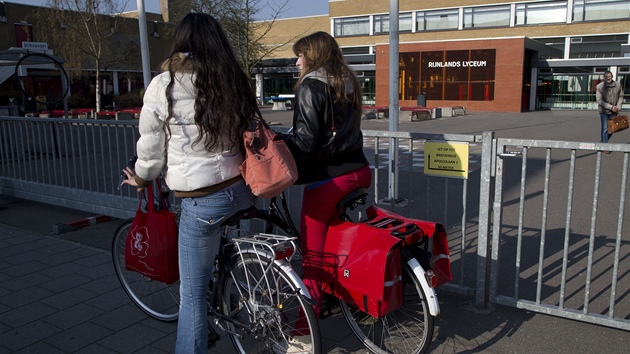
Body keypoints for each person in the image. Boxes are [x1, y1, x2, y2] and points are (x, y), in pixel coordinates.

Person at [120, 13, 259, 353]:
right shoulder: (231, 78)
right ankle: (227, 297)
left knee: (192, 294)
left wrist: (142, 177)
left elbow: (151, 147)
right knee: (215, 251)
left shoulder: (164, 84)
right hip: (242, 188)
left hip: (202, 199)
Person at [280, 31, 372, 352]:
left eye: (300, 55)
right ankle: (347, 296)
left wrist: (277, 143)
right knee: (337, 242)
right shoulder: (347, 81)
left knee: (314, 258)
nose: (297, 61)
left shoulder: (311, 85)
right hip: (358, 171)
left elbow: (306, 143)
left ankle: (303, 336)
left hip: (328, 181)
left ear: (314, 55)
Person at [596, 70, 624, 147]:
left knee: (612, 129)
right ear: (603, 77)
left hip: (614, 111)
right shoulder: (599, 86)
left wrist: (618, 107)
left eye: (610, 77)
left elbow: (621, 96)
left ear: (612, 77)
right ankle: (605, 146)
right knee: (605, 128)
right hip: (604, 111)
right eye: (607, 77)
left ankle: (603, 141)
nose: (609, 78)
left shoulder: (618, 85)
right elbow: (599, 100)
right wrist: (611, 107)